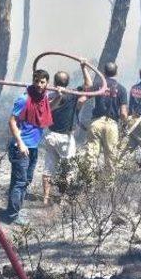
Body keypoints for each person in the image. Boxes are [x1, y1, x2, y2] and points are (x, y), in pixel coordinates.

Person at [5, 69, 53, 225]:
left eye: (42, 82)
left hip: (33, 147)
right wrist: (20, 143)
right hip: (21, 147)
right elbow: (12, 121)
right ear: (33, 80)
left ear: (47, 83)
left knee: (25, 180)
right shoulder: (24, 99)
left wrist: (59, 95)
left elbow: (50, 107)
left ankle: (13, 210)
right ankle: (13, 216)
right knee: (20, 181)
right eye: (36, 81)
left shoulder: (43, 99)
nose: (39, 85)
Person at [41, 62, 92, 204]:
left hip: (50, 136)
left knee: (48, 168)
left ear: (54, 82)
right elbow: (89, 85)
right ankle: (63, 198)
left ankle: (45, 198)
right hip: (65, 138)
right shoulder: (72, 95)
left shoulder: (49, 95)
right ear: (68, 82)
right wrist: (84, 67)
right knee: (69, 168)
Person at [85, 62, 128, 174]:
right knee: (111, 158)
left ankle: (89, 185)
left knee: (91, 156)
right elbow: (123, 113)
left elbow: (85, 96)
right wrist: (125, 125)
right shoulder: (122, 89)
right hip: (111, 125)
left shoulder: (98, 85)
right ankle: (108, 187)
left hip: (96, 123)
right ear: (116, 73)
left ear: (103, 72)